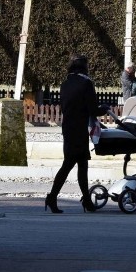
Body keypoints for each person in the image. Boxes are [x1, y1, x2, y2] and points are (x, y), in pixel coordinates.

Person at [45, 54, 106, 214]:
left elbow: (66, 107)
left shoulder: (65, 84)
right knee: (70, 165)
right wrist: (104, 109)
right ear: (84, 67)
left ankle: (86, 200)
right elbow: (92, 109)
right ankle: (52, 197)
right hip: (79, 129)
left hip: (68, 127)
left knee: (81, 165)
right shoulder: (86, 83)